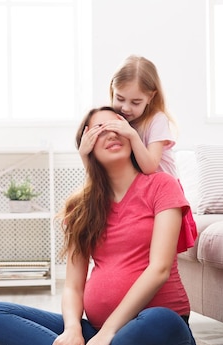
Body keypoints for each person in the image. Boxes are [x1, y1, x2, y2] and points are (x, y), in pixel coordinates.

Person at [0, 106, 196, 345]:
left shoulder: (161, 186)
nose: (110, 132)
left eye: (117, 125)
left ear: (132, 135)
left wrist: (105, 336)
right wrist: (72, 331)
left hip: (154, 331)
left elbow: (159, 270)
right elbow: (72, 286)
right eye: (97, 129)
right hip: (96, 331)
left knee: (160, 321)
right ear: (86, 147)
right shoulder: (81, 206)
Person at [79, 55, 197, 252]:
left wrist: (132, 136)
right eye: (120, 98)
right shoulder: (118, 119)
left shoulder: (156, 120)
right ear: (112, 90)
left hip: (163, 195)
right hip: (137, 193)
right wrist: (85, 154)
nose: (126, 108)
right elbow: (101, 174)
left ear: (150, 97)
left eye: (135, 102)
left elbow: (150, 166)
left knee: (160, 251)